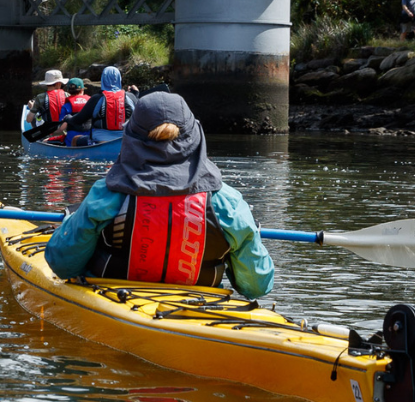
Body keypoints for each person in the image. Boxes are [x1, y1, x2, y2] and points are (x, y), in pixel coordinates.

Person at [42, 92, 275, 299]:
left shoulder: (106, 195)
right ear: (194, 135)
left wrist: (72, 222)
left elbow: (62, 265)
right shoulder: (228, 203)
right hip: (200, 306)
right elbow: (257, 287)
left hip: (113, 297)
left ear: (131, 138)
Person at [58, 68, 136, 146]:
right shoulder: (131, 97)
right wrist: (136, 94)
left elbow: (78, 120)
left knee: (75, 139)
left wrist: (68, 118)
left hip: (99, 140)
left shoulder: (96, 99)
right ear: (119, 79)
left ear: (102, 80)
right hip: (124, 139)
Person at [25, 69, 68, 142]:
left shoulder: (40, 97)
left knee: (35, 118)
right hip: (66, 133)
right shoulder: (67, 95)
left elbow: (29, 120)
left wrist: (31, 107)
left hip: (47, 135)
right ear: (58, 83)